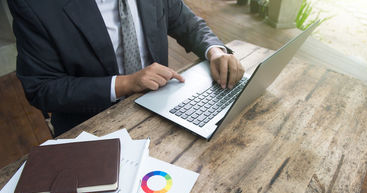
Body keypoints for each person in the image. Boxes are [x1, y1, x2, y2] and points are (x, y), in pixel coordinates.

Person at [8, 0, 244, 136]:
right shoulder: (35, 5)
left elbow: (186, 22)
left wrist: (214, 51)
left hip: (160, 110)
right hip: (91, 128)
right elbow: (41, 88)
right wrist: (126, 83)